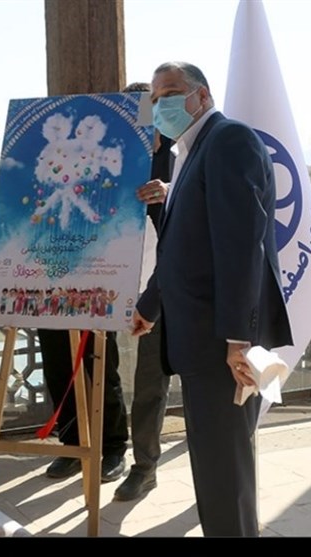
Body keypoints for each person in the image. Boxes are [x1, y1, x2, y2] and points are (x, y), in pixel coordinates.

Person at [132, 62, 293, 537]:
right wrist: (149, 306)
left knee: (225, 470)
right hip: (197, 340)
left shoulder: (228, 141)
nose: (161, 104)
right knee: (213, 464)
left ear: (202, 96)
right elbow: (184, 247)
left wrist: (238, 339)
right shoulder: (191, 151)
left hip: (222, 345)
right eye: (156, 97)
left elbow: (241, 246)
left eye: (172, 92)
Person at [113, 82, 173, 502]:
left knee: (157, 379)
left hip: (172, 288)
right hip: (119, 285)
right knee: (141, 380)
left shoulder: (180, 158)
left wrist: (167, 196)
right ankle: (143, 465)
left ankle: (149, 463)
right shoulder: (111, 161)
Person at [37, 328, 128, 483]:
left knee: (104, 376)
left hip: (98, 310)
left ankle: (114, 448)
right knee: (58, 375)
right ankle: (73, 446)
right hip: (51, 311)